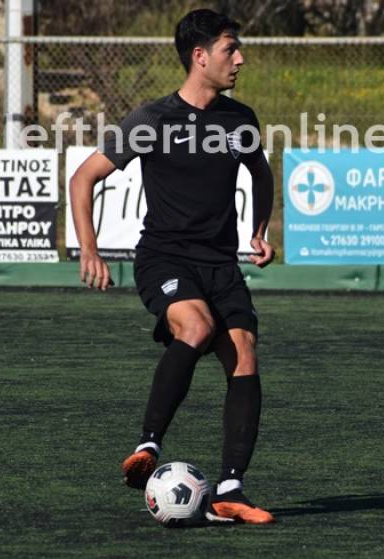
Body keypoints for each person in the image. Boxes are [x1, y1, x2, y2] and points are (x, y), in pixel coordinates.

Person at [69, 9, 275, 524]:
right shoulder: (153, 120)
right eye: (230, 49)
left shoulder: (240, 120)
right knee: (197, 326)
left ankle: (231, 490)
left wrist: (258, 230)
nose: (240, 59)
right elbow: (83, 178)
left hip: (220, 264)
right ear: (200, 56)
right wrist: (89, 249)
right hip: (164, 257)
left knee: (244, 353)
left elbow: (261, 173)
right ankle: (148, 445)